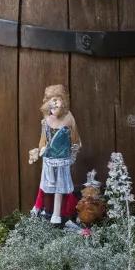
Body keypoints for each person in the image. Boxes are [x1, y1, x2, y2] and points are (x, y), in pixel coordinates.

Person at [28, 84, 81, 224]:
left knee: (60, 187)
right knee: (46, 184)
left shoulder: (69, 118)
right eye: (51, 101)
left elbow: (75, 139)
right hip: (49, 160)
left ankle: (57, 215)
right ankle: (42, 208)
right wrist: (38, 151)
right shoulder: (46, 120)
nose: (54, 104)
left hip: (63, 160)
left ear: (63, 101)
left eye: (57, 100)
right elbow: (43, 140)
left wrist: (73, 154)